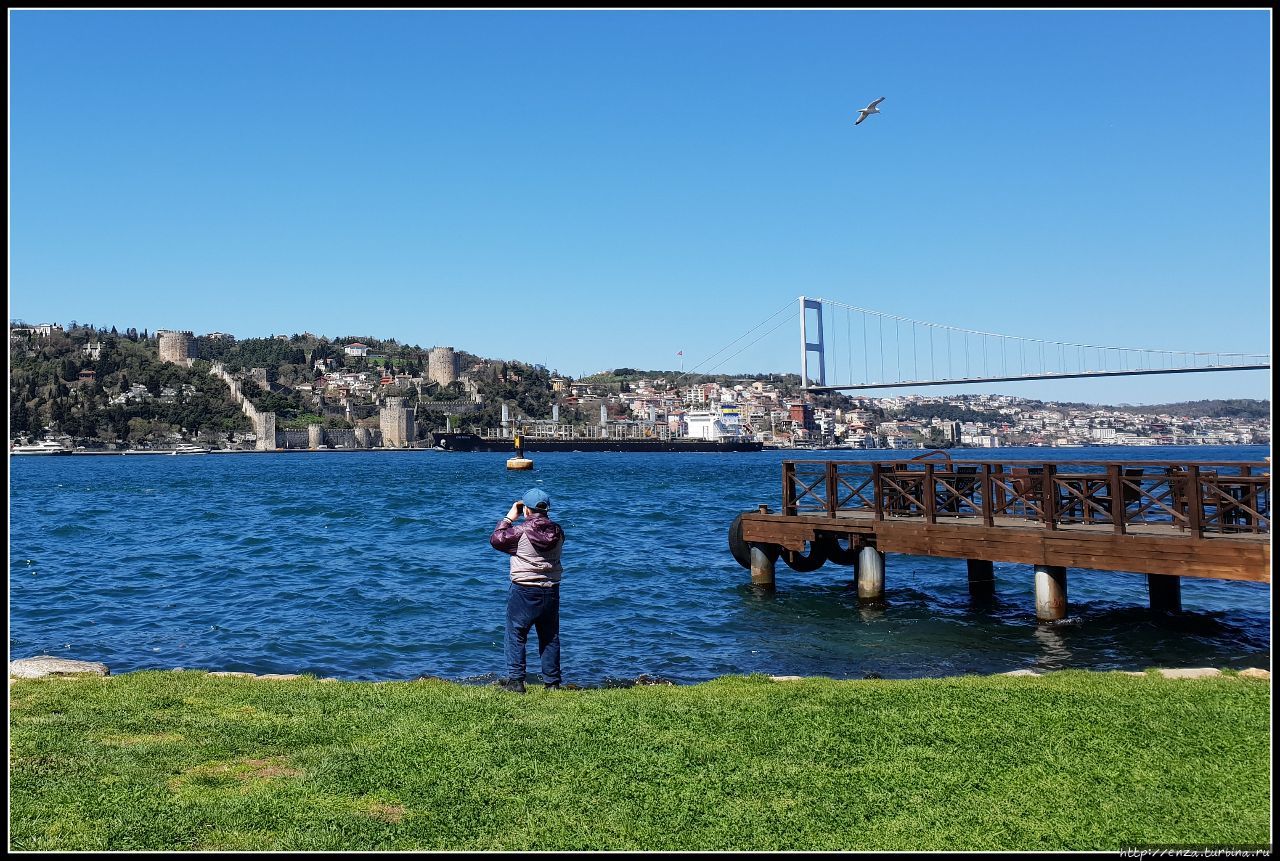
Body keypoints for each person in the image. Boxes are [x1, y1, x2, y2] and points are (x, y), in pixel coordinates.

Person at [489, 487, 565, 693]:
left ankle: (516, 682)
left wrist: (508, 517)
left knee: (516, 634)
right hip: (550, 589)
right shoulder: (557, 531)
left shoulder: (520, 532)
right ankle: (552, 683)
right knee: (549, 636)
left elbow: (496, 539)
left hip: (523, 589)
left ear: (527, 511)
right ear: (547, 510)